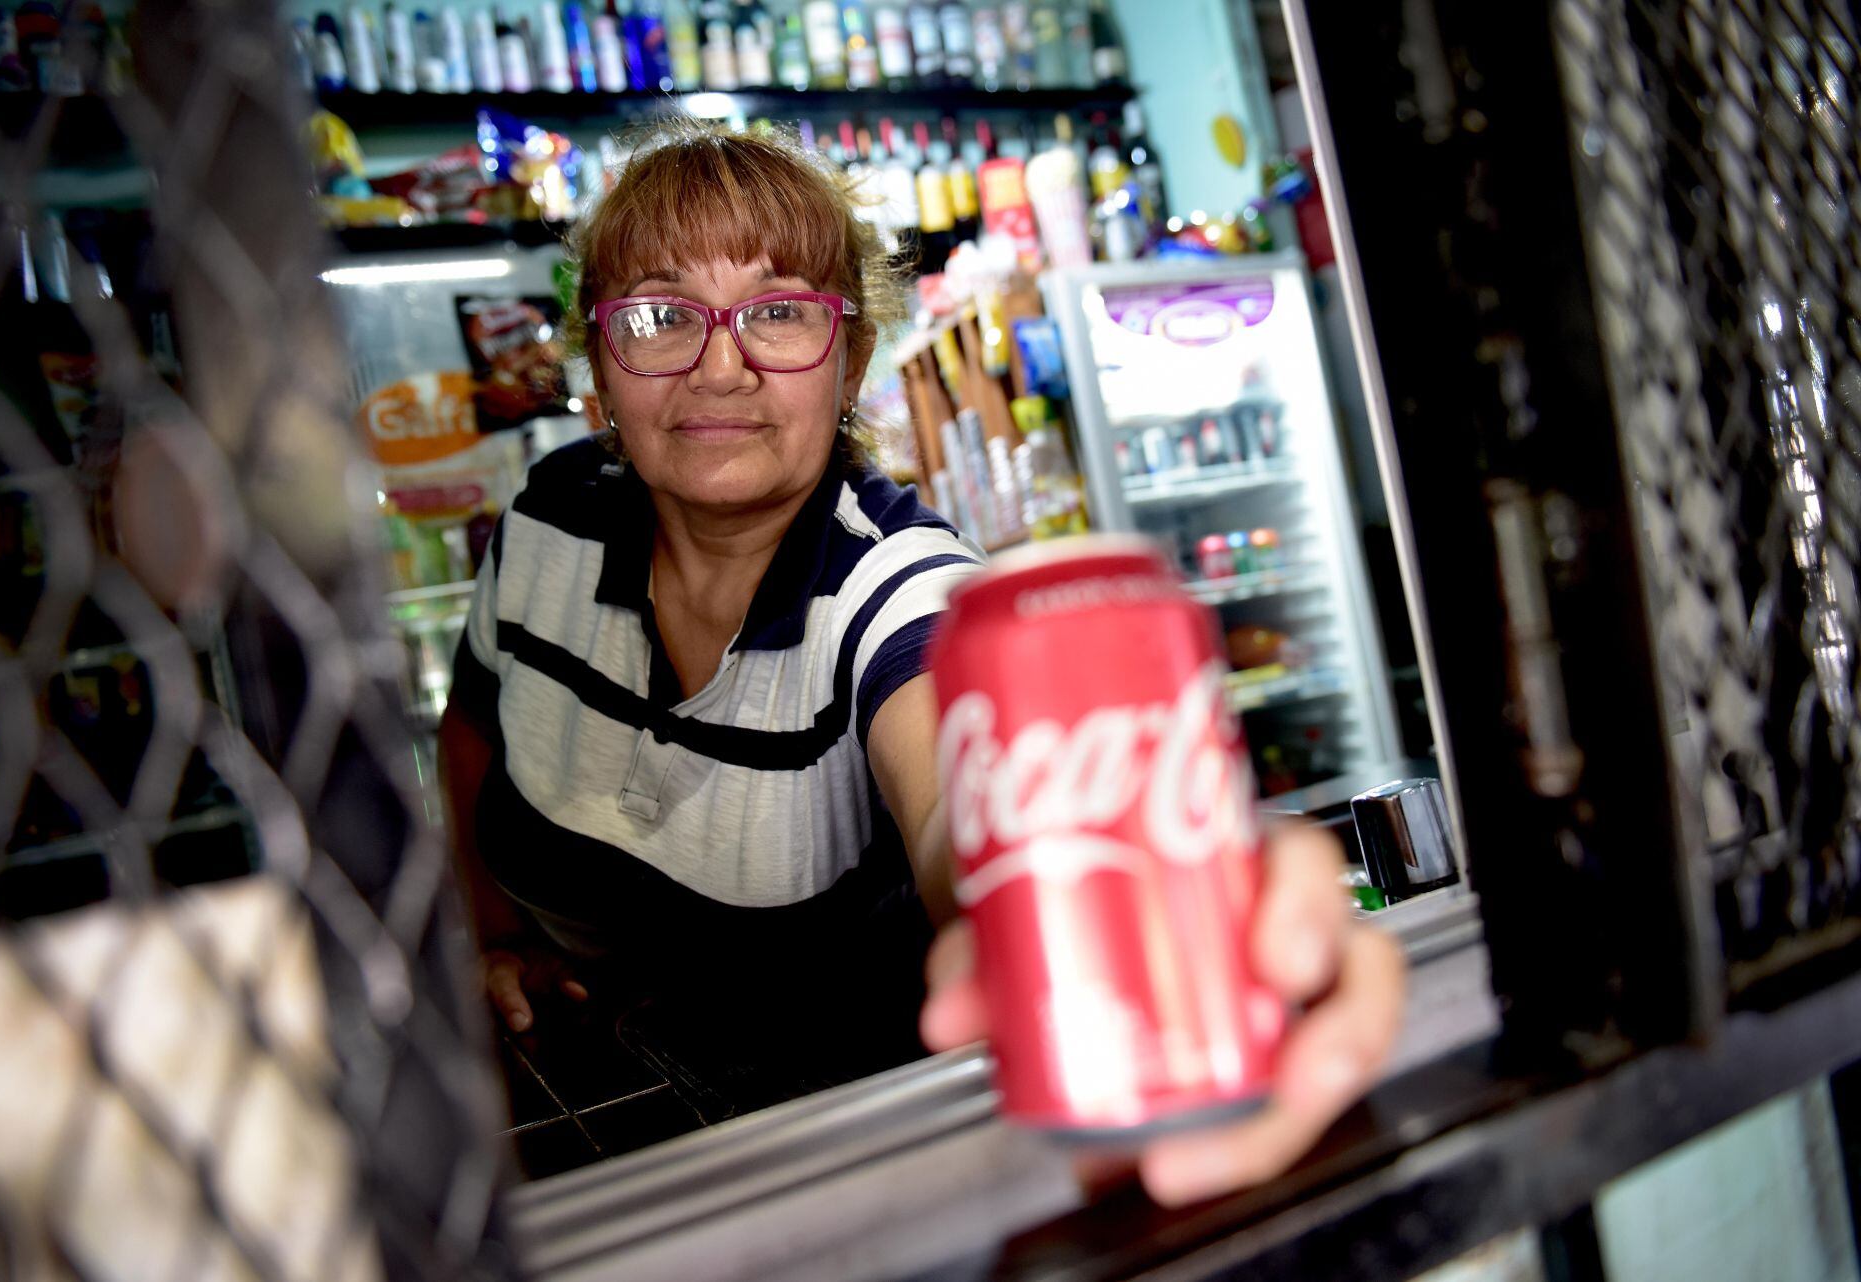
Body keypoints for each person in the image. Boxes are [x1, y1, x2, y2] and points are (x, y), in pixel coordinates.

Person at [439, 120, 1404, 1204]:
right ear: (602, 366)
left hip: (844, 1178)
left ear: (849, 359)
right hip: (581, 1131)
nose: (722, 364)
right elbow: (473, 726)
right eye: (662, 316)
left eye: (781, 311)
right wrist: (493, 935)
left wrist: (1169, 920)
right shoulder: (550, 519)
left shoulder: (893, 586)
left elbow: (970, 802)